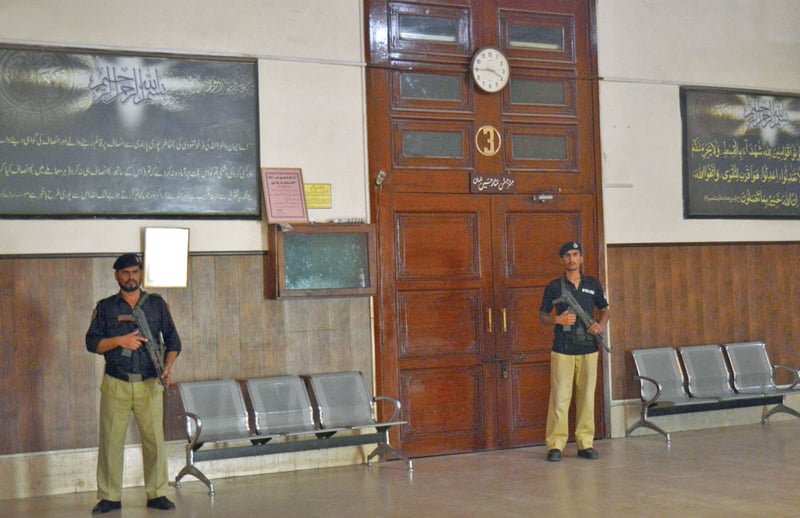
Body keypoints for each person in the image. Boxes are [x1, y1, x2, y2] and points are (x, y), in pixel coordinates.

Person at [85, 253, 182, 514]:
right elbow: (91, 343)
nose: (131, 277)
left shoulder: (157, 305)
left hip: (150, 383)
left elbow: (174, 342)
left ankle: (158, 492)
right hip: (116, 382)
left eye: (135, 272)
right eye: (125, 273)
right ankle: (109, 496)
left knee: (154, 441)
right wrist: (120, 341)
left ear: (141, 274)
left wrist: (168, 367)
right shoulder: (105, 307)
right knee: (110, 442)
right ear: (117, 275)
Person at [538, 242, 609, 462]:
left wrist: (602, 325)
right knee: (560, 398)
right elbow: (542, 315)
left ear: (581, 259)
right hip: (563, 349)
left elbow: (605, 309)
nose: (571, 259)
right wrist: (556, 319)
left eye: (575, 255)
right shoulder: (554, 287)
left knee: (587, 397)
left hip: (588, 348)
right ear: (562, 260)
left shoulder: (592, 284)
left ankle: (585, 443)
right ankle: (556, 445)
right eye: (567, 255)